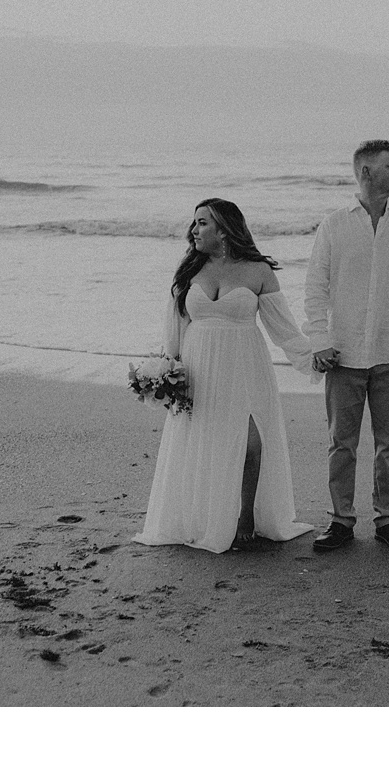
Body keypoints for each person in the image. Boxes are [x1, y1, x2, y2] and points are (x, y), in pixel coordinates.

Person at [133, 198, 315, 554]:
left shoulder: (258, 271)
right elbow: (175, 327)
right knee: (200, 440)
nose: (194, 230)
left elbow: (284, 329)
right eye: (194, 223)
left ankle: (246, 515)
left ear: (224, 228)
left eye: (202, 223)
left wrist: (313, 358)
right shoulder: (188, 271)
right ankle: (203, 516)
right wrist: (166, 371)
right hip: (199, 366)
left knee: (251, 442)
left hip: (245, 365)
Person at [304, 140, 389, 554]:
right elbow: (316, 287)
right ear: (366, 173)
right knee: (341, 442)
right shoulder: (334, 225)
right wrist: (320, 340)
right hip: (342, 355)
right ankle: (341, 520)